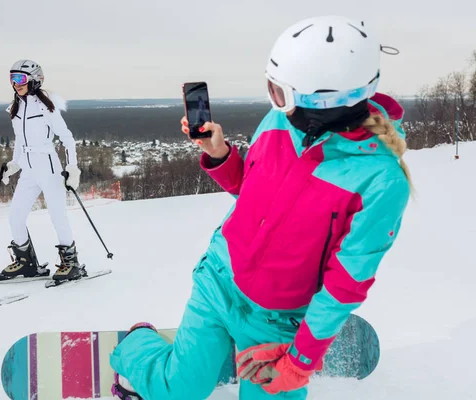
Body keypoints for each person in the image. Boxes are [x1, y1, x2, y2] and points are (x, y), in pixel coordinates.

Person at [109, 15, 412, 400]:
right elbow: (254, 195)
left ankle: (226, 351)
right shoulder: (279, 122)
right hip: (220, 280)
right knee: (178, 391)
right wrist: (219, 155)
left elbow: (344, 286)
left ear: (324, 101)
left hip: (278, 318)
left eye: (279, 91)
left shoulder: (379, 181)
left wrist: (297, 363)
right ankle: (140, 343)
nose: (274, 101)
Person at [0, 59, 87, 283]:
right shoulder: (16, 107)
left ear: (34, 79)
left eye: (20, 78)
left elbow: (67, 138)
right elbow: (20, 140)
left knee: (57, 216)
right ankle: (26, 262)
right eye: (12, 79)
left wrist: (72, 168)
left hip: (48, 165)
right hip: (28, 169)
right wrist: (14, 164)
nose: (16, 83)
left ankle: (71, 263)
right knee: (15, 216)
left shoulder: (46, 106)